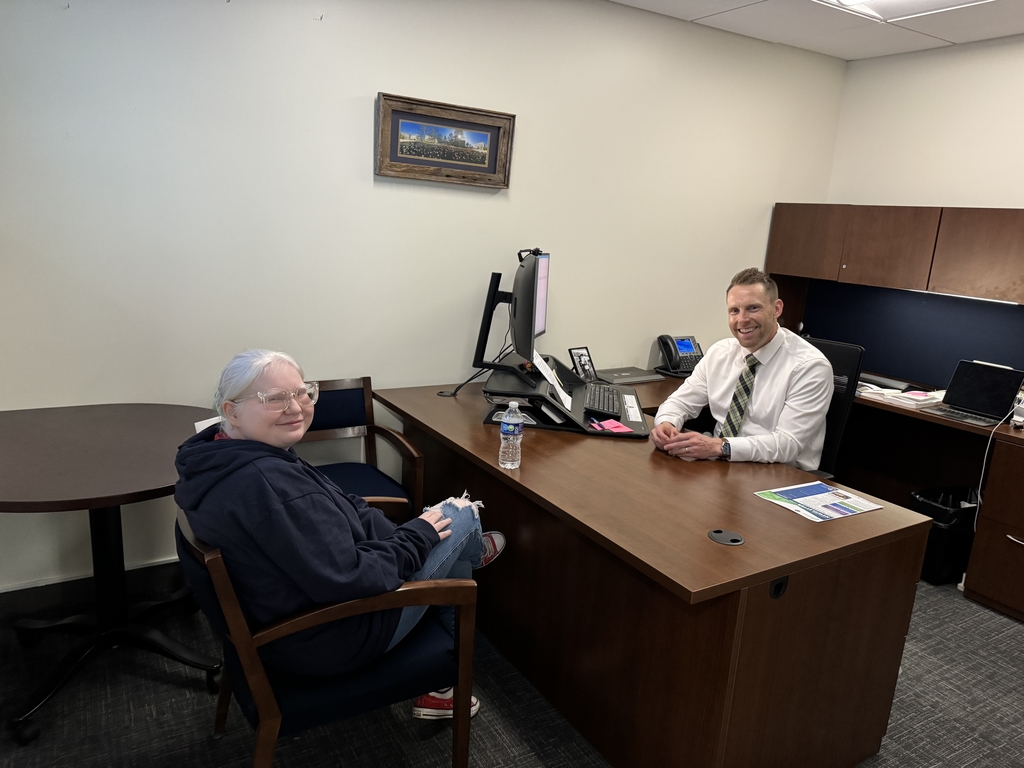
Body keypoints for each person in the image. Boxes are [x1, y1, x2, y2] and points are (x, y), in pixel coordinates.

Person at [174, 349, 504, 719]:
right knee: (458, 515)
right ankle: (472, 554)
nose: (296, 407)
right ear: (232, 410)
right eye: (275, 398)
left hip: (289, 613)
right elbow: (349, 578)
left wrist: (400, 536)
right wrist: (416, 537)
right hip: (332, 636)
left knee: (437, 534)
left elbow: (346, 505)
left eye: (302, 392)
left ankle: (444, 681)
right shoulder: (268, 485)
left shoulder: (225, 455)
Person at [651, 268, 833, 471]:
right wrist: (666, 424)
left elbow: (787, 445)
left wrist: (720, 446)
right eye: (734, 311)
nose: (742, 320)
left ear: (777, 309)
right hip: (721, 463)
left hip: (780, 473)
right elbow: (680, 402)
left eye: (753, 308)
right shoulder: (720, 353)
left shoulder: (810, 367)